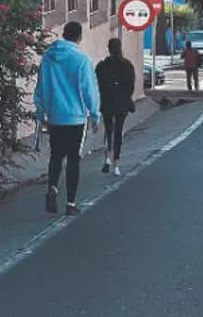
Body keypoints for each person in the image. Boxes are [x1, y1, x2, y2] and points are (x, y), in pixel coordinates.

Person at [33, 21, 100, 216]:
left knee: (55, 156)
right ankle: (70, 203)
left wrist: (41, 112)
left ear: (63, 34)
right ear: (79, 37)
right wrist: (95, 114)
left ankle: (52, 188)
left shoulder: (48, 58)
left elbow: (41, 86)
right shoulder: (82, 60)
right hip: (75, 119)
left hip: (54, 116)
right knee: (73, 159)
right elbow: (89, 90)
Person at [95, 38, 136, 177]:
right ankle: (116, 164)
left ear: (109, 49)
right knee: (118, 132)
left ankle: (107, 157)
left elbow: (98, 85)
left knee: (108, 130)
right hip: (122, 104)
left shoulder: (102, 66)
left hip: (107, 103)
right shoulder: (127, 66)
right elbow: (131, 87)